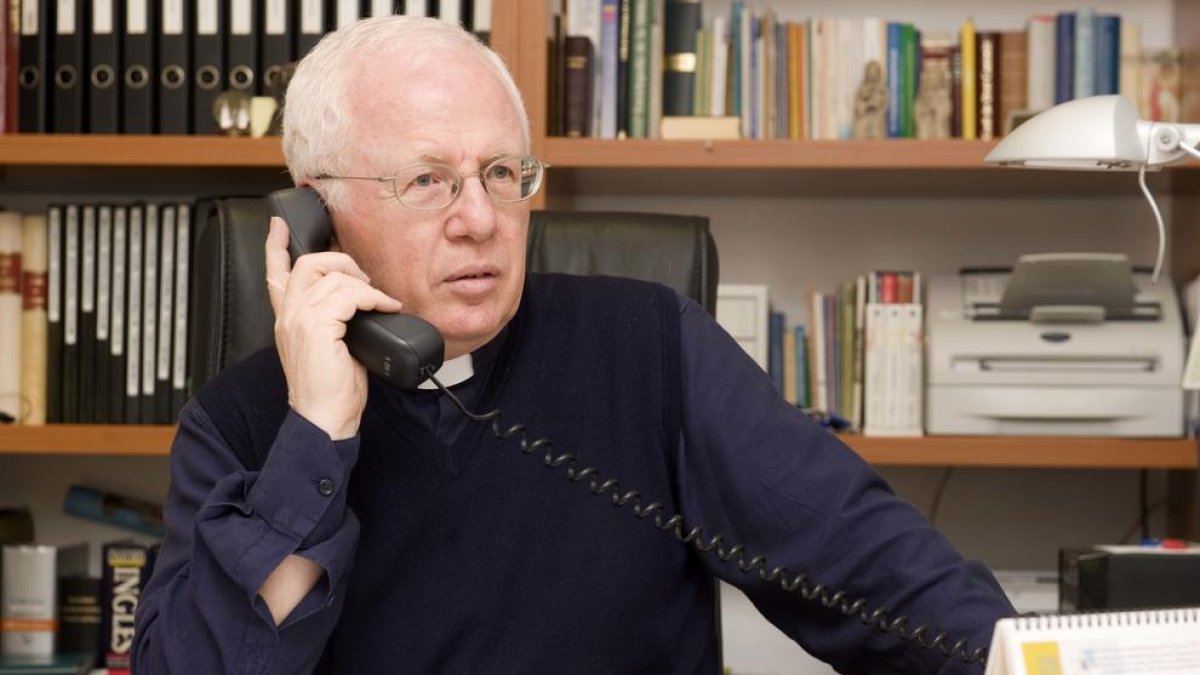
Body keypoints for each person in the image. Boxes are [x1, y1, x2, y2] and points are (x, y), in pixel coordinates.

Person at [133, 15, 1015, 675]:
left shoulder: (651, 346)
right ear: (314, 209)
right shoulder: (240, 424)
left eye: (502, 174)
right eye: (428, 180)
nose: (480, 219)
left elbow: (882, 574)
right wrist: (316, 433)